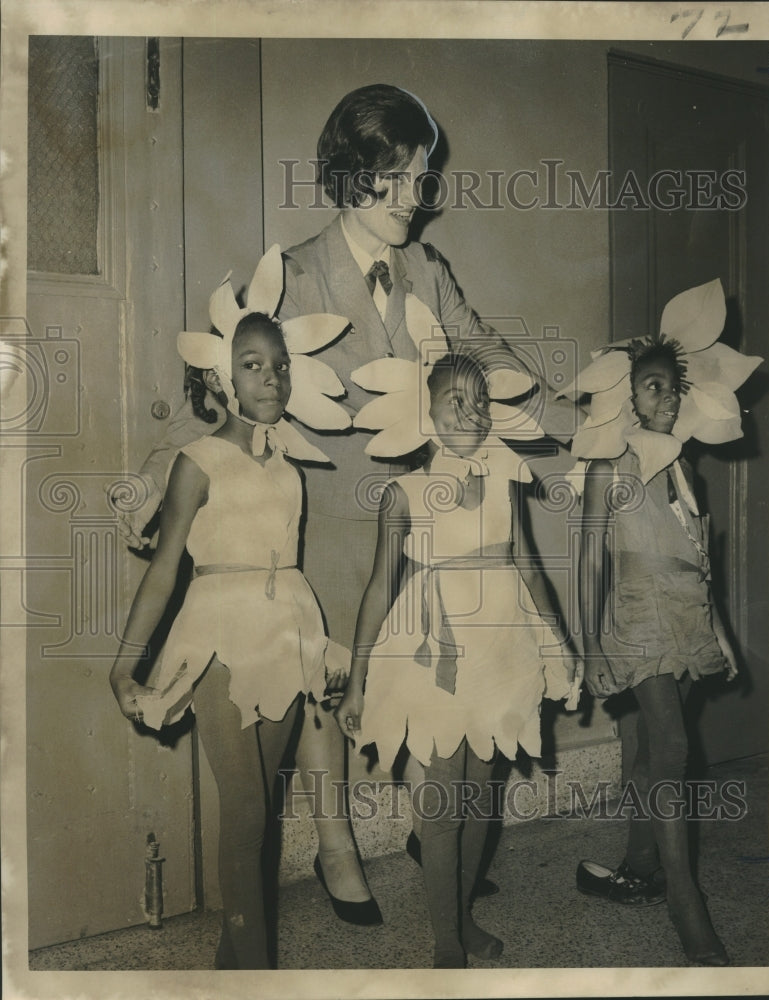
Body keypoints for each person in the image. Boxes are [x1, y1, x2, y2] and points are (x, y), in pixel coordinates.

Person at [113, 83, 579, 907]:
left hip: (427, 519)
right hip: (324, 518)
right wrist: (153, 478)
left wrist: (581, 419)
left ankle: (429, 826)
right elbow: (220, 392)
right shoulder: (291, 276)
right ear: (349, 173)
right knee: (322, 684)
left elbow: (491, 360)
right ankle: (334, 844)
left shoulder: (428, 271)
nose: (414, 195)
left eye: (422, 174)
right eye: (395, 176)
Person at [109, 250, 371, 968]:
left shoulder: (286, 466)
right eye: (253, 365)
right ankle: (256, 977)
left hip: (285, 632)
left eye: (280, 365)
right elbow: (164, 574)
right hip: (219, 638)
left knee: (262, 814)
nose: (272, 378)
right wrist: (123, 667)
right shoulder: (196, 462)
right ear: (221, 377)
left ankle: (234, 967)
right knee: (247, 811)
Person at [335, 316, 583, 968]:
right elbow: (377, 590)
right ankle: (446, 940)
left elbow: (528, 568)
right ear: (426, 414)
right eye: (455, 401)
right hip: (436, 656)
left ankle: (463, 915)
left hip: (501, 652)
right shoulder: (404, 493)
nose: (471, 412)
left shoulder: (506, 483)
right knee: (443, 804)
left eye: (479, 401)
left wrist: (557, 644)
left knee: (482, 798)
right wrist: (358, 678)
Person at [565, 279, 761, 966]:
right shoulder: (607, 463)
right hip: (635, 618)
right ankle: (687, 906)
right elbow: (589, 559)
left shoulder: (682, 468)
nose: (665, 398)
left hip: (684, 617)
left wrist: (721, 639)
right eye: (651, 387)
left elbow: (698, 565)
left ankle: (640, 862)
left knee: (651, 752)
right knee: (672, 749)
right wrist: (590, 643)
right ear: (625, 394)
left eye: (671, 389)